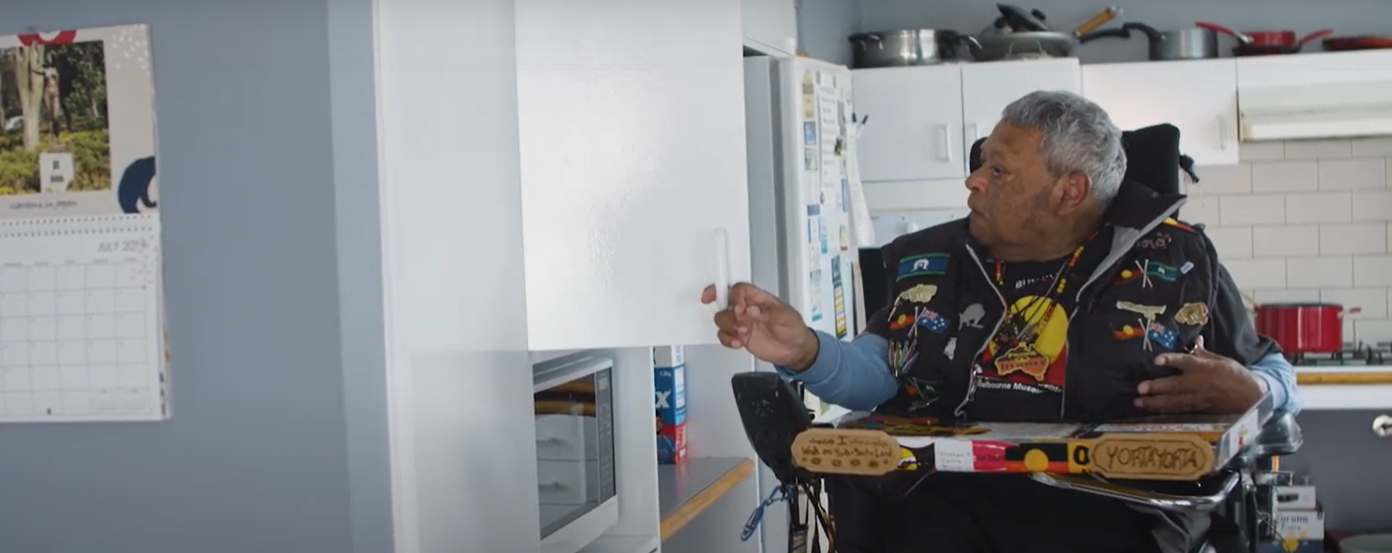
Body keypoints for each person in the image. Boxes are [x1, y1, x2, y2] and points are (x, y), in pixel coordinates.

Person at [702, 90, 1300, 553]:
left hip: (1120, 519)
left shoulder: (1178, 259)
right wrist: (806, 350)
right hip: (939, 513)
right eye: (981, 162)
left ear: (1070, 191)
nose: (973, 180)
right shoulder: (932, 261)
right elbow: (881, 370)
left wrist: (1259, 389)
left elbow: (1272, 371)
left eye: (999, 170)